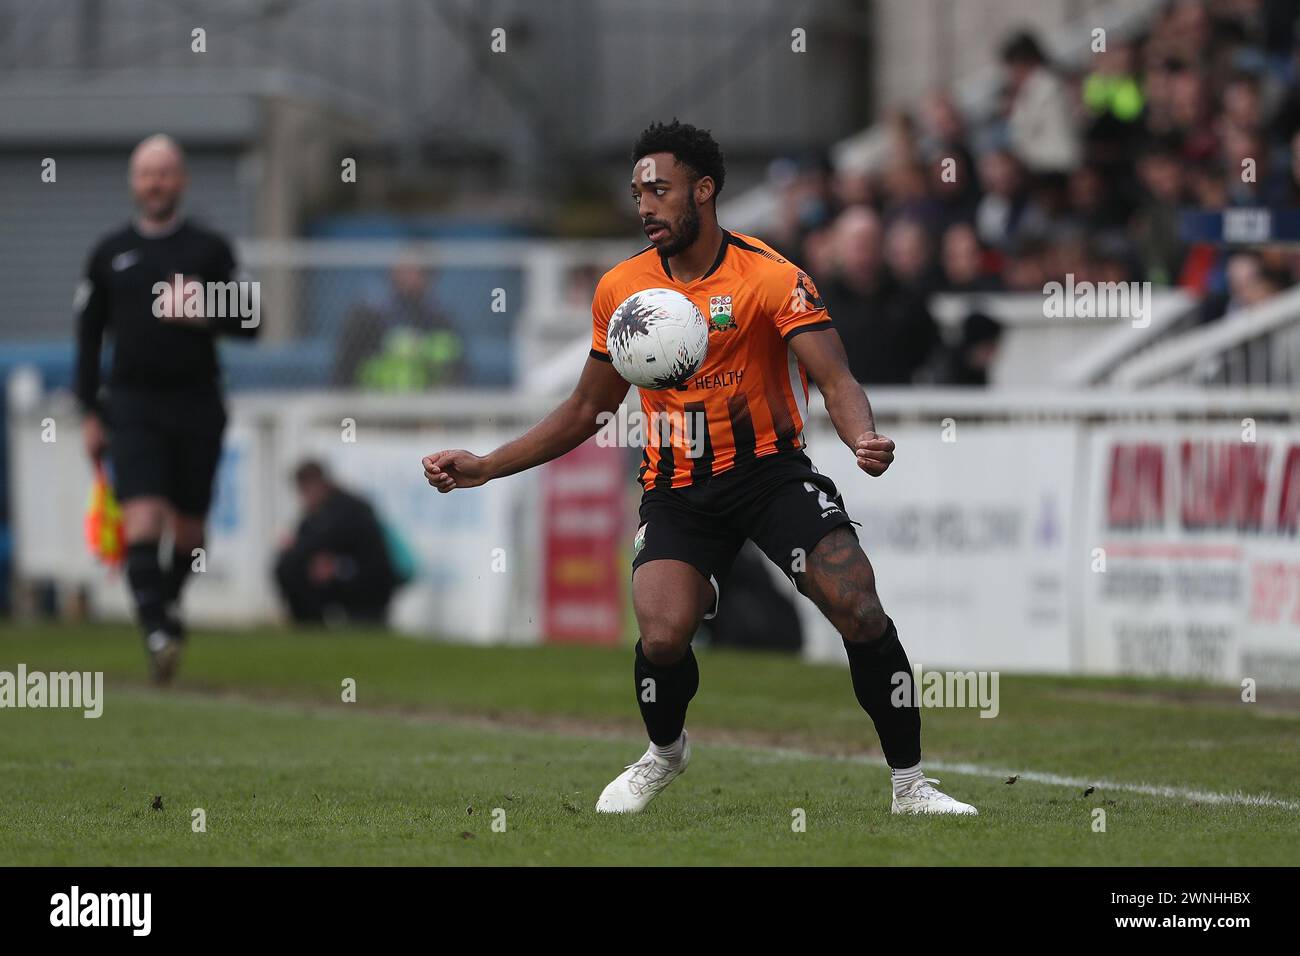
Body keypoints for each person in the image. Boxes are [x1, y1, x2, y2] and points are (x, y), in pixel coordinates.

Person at [422, 120, 976, 817]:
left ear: (705, 189)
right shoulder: (623, 289)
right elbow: (587, 408)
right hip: (677, 490)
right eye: (636, 193)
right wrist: (486, 465)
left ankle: (910, 786)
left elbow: (835, 378)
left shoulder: (772, 277)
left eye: (660, 189)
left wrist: (862, 436)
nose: (645, 205)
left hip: (771, 476)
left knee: (859, 607)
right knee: (661, 635)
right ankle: (665, 753)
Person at [75, 134, 259, 683]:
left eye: (166, 173)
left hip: (197, 402)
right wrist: (89, 411)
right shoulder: (110, 254)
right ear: (134, 183)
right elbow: (87, 339)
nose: (156, 183)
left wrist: (204, 311)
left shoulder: (209, 250)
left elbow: (252, 321)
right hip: (132, 404)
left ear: (181, 180)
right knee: (143, 517)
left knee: (189, 533)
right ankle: (157, 630)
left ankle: (168, 606)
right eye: (146, 173)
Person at [274, 461, 398, 626]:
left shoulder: (346, 509)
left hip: (367, 582)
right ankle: (308, 625)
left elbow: (317, 542)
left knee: (292, 565)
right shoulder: (322, 511)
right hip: (350, 578)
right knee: (291, 564)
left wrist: (334, 565)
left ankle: (309, 624)